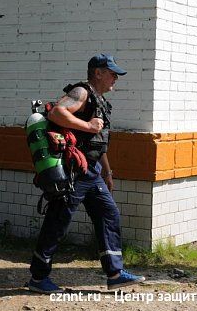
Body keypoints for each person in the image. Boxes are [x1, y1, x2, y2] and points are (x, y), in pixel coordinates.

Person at [28, 53, 145, 294]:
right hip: (74, 171)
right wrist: (88, 125)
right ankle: (39, 278)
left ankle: (114, 273)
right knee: (58, 221)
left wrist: (107, 171)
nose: (116, 79)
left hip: (92, 171)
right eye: (112, 73)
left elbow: (97, 142)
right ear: (98, 72)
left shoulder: (100, 101)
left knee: (108, 212)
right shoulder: (82, 92)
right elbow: (57, 113)